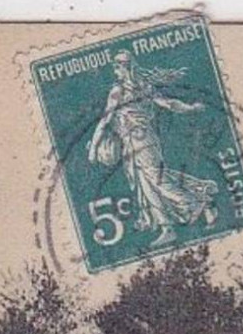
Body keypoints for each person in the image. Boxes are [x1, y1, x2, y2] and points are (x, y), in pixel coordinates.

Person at [89, 50, 219, 250]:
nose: (116, 71)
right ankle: (167, 228)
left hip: (140, 139)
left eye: (118, 67)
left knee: (157, 179)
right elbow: (169, 103)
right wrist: (190, 108)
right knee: (147, 183)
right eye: (116, 67)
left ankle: (196, 203)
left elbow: (106, 119)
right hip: (134, 141)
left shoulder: (121, 91)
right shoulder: (144, 87)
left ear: (126, 68)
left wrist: (94, 147)